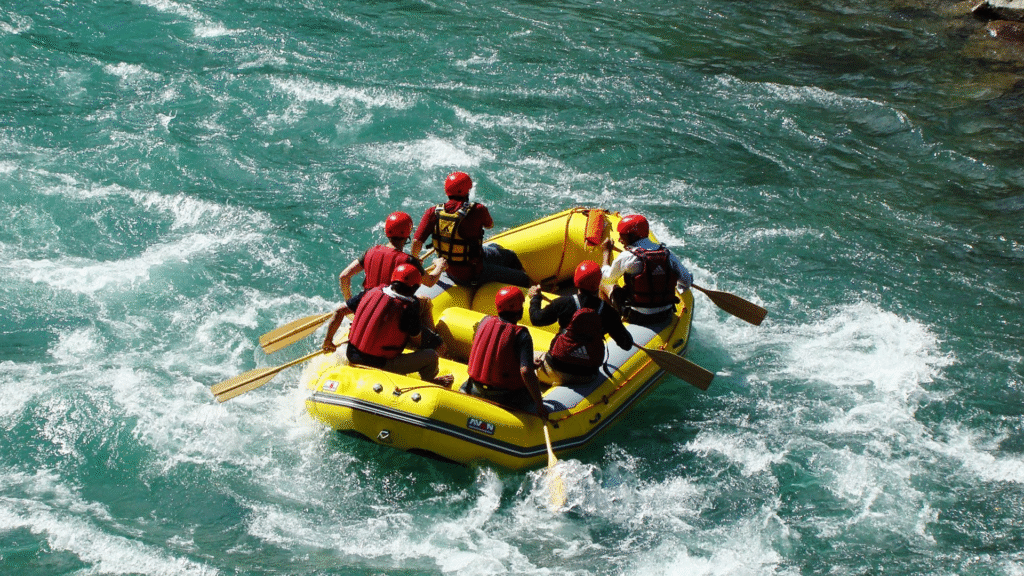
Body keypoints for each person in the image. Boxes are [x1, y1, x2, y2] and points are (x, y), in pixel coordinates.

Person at [322, 264, 454, 385]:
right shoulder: (408, 308)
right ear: (415, 287)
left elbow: (339, 311)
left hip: (352, 355)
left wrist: (328, 340)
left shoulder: (370, 292)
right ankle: (430, 381)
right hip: (381, 364)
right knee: (431, 355)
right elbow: (417, 339)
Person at [410, 171, 531, 287]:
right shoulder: (478, 209)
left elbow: (416, 243)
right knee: (522, 277)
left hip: (450, 269)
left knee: (507, 254)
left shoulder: (433, 212)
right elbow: (489, 226)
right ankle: (531, 288)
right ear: (467, 191)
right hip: (473, 274)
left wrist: (416, 260)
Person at [528, 260, 634, 386]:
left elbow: (536, 319)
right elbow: (626, 344)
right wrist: (612, 326)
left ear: (576, 280)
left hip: (554, 371)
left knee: (524, 356)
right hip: (587, 376)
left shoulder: (563, 303)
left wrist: (535, 298)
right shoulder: (608, 312)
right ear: (598, 283)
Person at [464, 286, 549, 419]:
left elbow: (493, 352)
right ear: (518, 309)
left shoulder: (484, 321)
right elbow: (526, 371)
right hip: (504, 396)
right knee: (534, 385)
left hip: (474, 388)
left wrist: (527, 362)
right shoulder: (521, 334)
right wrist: (539, 405)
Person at [601, 214, 693, 326]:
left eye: (622, 236)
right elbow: (687, 281)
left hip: (638, 317)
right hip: (666, 314)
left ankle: (607, 322)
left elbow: (607, 279)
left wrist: (606, 253)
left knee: (603, 284)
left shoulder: (627, 256)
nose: (620, 240)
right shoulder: (667, 254)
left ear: (632, 236)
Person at [338, 211, 445, 300]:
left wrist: (349, 302)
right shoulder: (409, 261)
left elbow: (344, 276)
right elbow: (430, 282)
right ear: (408, 234)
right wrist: (439, 266)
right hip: (390, 309)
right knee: (424, 300)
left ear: (386, 231)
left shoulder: (370, 252)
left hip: (367, 303)